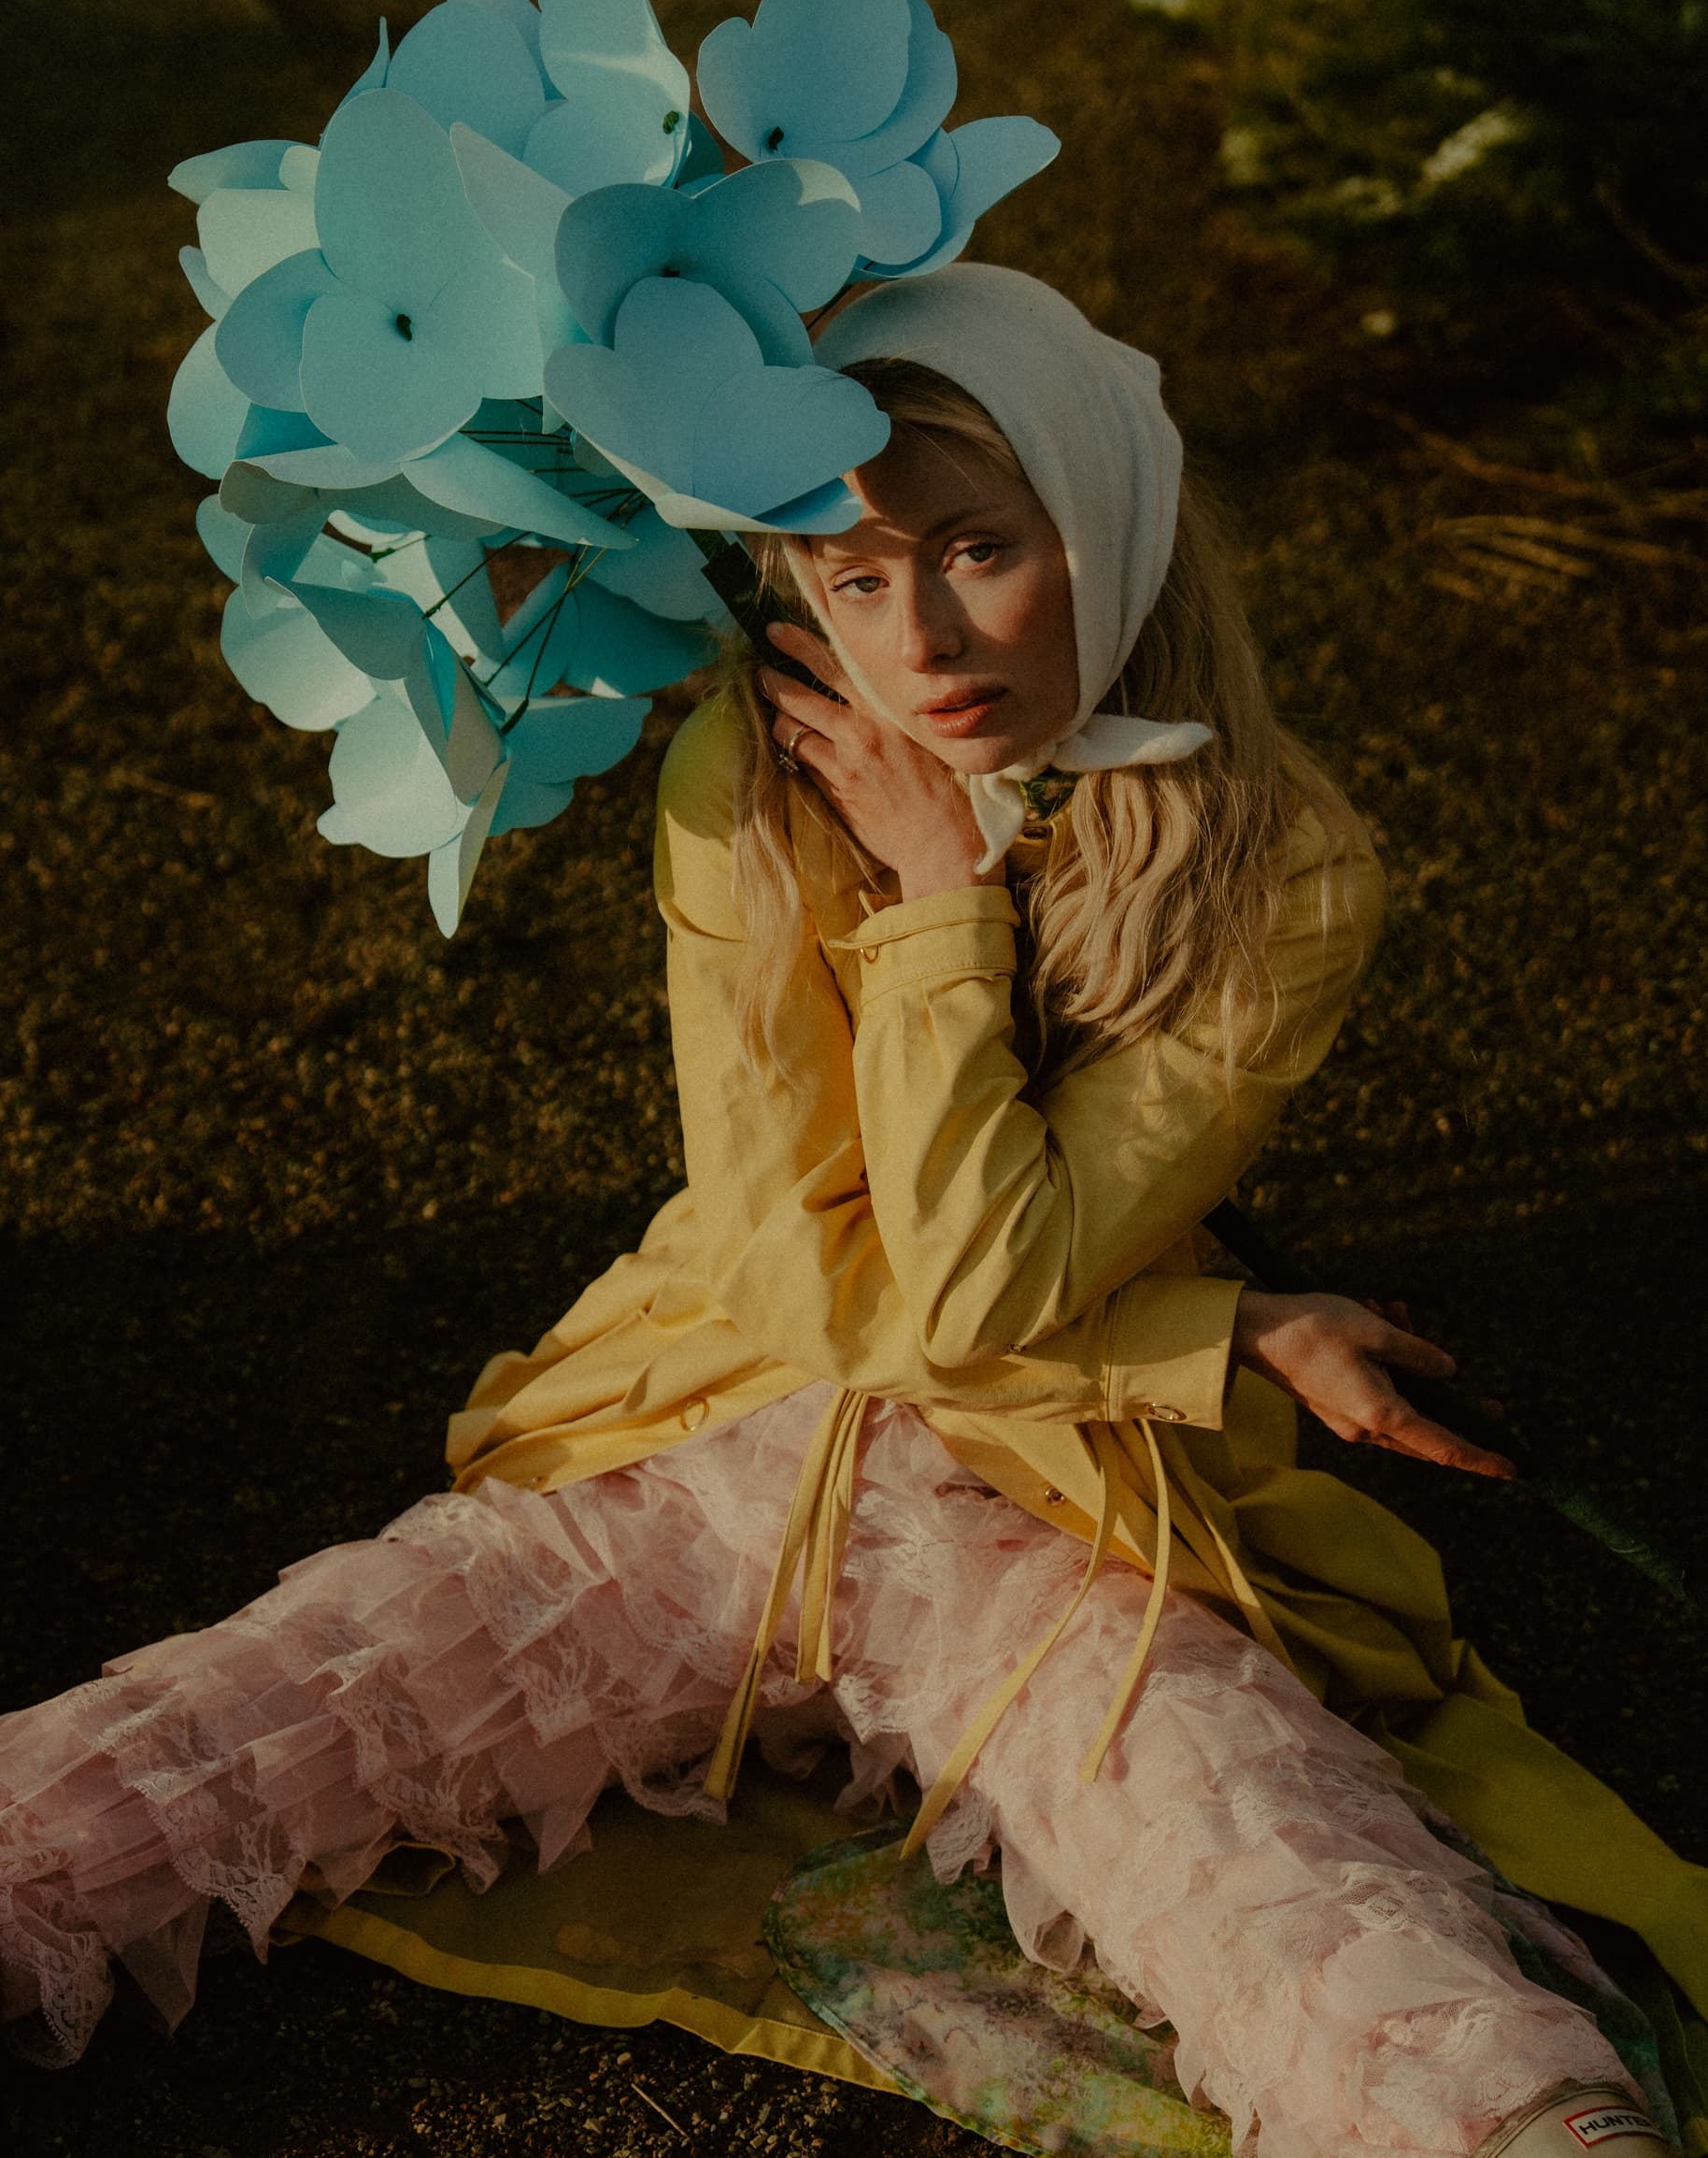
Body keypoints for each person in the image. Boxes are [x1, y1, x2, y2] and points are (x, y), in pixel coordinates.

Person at [2, 266, 1693, 2158]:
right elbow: (795, 1277)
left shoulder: (1281, 863)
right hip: (706, 1407)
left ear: (1102, 515)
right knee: (283, 1708)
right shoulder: (748, 776)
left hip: (1051, 1479)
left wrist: (938, 891)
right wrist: (1203, 1334)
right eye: (854, 576)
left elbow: (977, 1290)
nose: (923, 641)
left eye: (977, 547)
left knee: (1245, 1833)